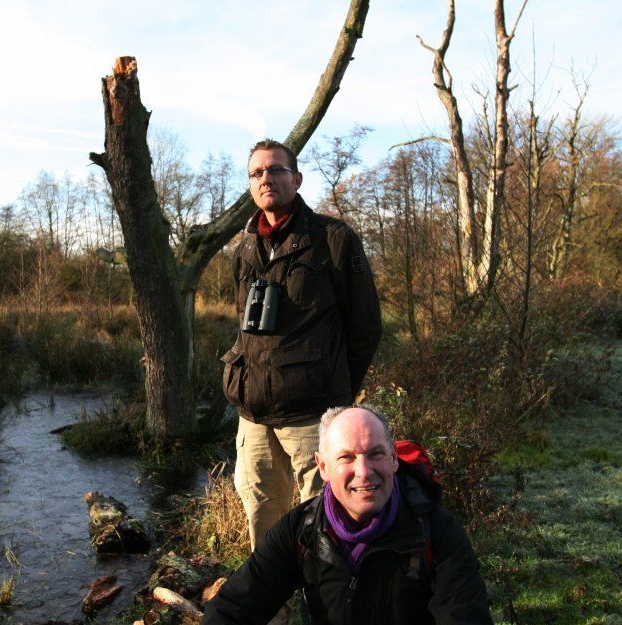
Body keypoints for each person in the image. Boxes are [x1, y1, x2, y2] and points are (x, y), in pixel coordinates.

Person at [221, 139, 383, 551]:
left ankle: (326, 605)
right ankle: (273, 610)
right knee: (263, 521)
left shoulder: (333, 238)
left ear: (296, 178)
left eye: (276, 170)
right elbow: (246, 329)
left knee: (325, 522)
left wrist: (338, 394)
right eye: (257, 173)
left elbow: (365, 327)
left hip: (314, 415)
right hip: (253, 415)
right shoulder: (244, 248)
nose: (266, 178)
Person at [203, 406, 494, 625]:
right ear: (323, 467)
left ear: (394, 459)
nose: (364, 471)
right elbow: (232, 609)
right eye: (347, 458)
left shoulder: (436, 532)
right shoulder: (300, 532)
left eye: (376, 454)